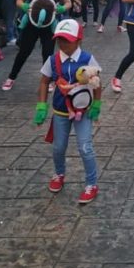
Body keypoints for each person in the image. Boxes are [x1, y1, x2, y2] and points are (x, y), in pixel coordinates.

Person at [34, 19, 102, 203]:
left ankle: (91, 184)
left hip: (84, 111)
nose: (63, 44)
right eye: (59, 40)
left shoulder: (88, 59)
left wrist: (97, 103)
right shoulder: (53, 60)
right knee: (58, 147)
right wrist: (41, 105)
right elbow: (44, 81)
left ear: (79, 40)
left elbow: (97, 82)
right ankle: (59, 174)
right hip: (61, 111)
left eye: (67, 40)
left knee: (85, 147)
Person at [1, 0, 71, 91]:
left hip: (49, 24)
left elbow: (68, 2)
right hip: (31, 25)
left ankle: (49, 81)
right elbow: (19, 0)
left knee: (48, 53)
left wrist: (62, 8)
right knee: (23, 52)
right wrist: (24, 6)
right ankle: (11, 78)